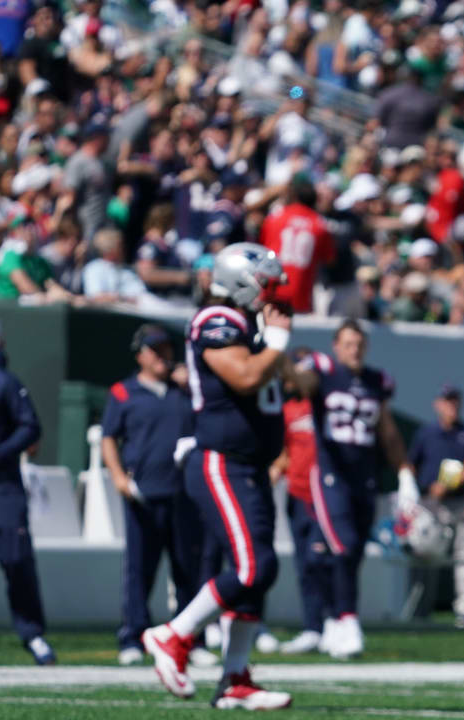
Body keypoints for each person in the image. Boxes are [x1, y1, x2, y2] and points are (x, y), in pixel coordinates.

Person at [142, 242, 292, 710]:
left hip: (250, 464)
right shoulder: (215, 321)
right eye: (267, 282)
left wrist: (285, 356)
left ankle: (235, 679)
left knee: (260, 572)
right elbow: (246, 377)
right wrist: (279, 344)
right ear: (243, 282)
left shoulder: (251, 326)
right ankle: (173, 635)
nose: (275, 292)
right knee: (252, 568)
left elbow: (285, 382)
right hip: (222, 460)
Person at [287, 320, 419, 659]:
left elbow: (387, 431)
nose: (354, 350)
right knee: (342, 547)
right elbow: (300, 383)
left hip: (365, 478)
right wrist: (281, 357)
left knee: (352, 554)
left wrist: (404, 471)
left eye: (359, 343)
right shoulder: (324, 372)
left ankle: (334, 620)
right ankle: (347, 620)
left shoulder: (377, 381)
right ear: (336, 346)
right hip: (331, 476)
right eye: (347, 344)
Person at [100, 324, 214, 668]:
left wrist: (191, 382)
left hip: (184, 494)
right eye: (156, 349)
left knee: (188, 571)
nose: (164, 355)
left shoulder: (185, 391)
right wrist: (119, 478)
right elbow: (108, 438)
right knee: (140, 571)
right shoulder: (123, 392)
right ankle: (133, 635)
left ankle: (190, 639)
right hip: (144, 495)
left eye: (167, 348)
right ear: (141, 355)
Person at [0, 313, 54, 665]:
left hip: (1, 488)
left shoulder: (4, 382)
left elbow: (29, 427)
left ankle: (32, 633)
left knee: (16, 560)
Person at [269, 352, 333, 655]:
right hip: (297, 495)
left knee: (323, 562)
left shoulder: (324, 406)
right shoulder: (288, 409)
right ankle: (312, 627)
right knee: (304, 565)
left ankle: (332, 622)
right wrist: (275, 470)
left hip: (324, 496)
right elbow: (286, 451)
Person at [407, 383, 464, 627]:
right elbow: (411, 464)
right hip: (430, 505)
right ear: (437, 404)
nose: (452, 405)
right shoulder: (426, 433)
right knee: (426, 556)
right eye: (447, 401)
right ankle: (420, 609)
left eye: (455, 400)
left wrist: (448, 485)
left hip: (460, 503)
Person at [261, 176, 335, 314]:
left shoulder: (276, 217)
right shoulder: (320, 225)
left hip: (271, 291)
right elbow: (328, 259)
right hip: (300, 295)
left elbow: (263, 247)